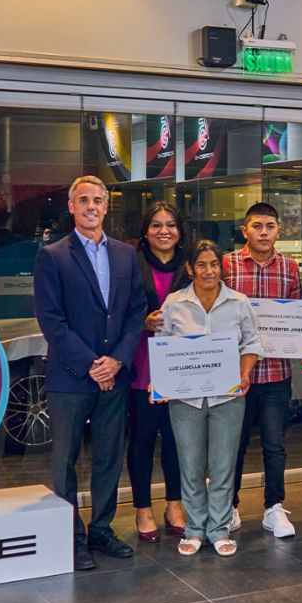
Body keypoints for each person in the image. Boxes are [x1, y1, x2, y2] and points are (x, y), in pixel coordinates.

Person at [33, 175, 146, 571]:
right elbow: (51, 320)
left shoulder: (125, 254)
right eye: (83, 200)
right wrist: (92, 365)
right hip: (71, 376)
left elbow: (135, 312)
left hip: (114, 374)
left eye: (98, 200)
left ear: (106, 206)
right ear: (71, 206)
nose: (91, 206)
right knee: (64, 461)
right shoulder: (52, 256)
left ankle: (101, 529)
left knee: (109, 457)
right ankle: (71, 537)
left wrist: (117, 360)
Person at [160, 240, 264, 557]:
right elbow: (162, 346)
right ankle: (194, 529)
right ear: (190, 268)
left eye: (214, 264)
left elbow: (251, 344)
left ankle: (218, 529)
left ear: (222, 267)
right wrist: (161, 383)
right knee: (190, 465)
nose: (209, 271)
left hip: (228, 397)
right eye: (202, 265)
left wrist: (244, 373)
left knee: (223, 465)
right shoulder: (174, 303)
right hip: (185, 400)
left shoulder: (239, 303)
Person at [221, 202, 301, 538]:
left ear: (279, 230)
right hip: (235, 373)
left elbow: (297, 313)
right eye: (257, 226)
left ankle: (274, 507)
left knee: (274, 445)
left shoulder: (290, 267)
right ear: (245, 230)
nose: (264, 232)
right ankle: (229, 507)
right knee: (232, 445)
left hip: (275, 374)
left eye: (270, 226)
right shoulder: (226, 264)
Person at [128, 201, 190, 542]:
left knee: (177, 442)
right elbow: (117, 310)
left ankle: (174, 505)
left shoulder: (192, 265)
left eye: (171, 224)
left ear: (180, 230)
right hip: (142, 367)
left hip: (183, 368)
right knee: (142, 441)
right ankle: (142, 508)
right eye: (156, 225)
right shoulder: (130, 263)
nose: (164, 231)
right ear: (145, 231)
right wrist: (142, 322)